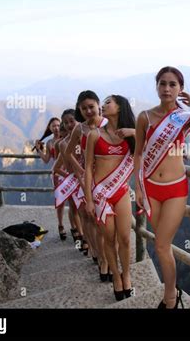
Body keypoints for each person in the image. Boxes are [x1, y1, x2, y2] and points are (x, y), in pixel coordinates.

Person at [134, 66, 190, 308]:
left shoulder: (183, 117)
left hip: (175, 189)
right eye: (162, 83)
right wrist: (137, 186)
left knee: (160, 244)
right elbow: (138, 153)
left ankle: (170, 297)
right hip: (150, 186)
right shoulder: (144, 117)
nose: (167, 88)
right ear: (157, 86)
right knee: (162, 245)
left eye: (172, 84)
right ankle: (172, 293)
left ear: (180, 89)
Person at [84, 95, 136, 299]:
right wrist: (88, 199)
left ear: (120, 108)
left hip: (121, 192)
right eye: (103, 103)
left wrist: (133, 132)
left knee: (124, 238)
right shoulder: (94, 135)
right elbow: (88, 168)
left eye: (108, 103)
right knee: (109, 238)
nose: (103, 106)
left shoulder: (131, 134)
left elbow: (154, 143)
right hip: (101, 195)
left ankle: (127, 275)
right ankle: (116, 276)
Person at [64, 91, 108, 260]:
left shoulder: (107, 124)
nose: (88, 111)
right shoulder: (79, 128)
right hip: (88, 178)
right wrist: (80, 170)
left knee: (106, 221)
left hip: (107, 176)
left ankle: (106, 257)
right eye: (84, 109)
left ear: (98, 105)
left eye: (91, 107)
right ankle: (98, 255)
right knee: (91, 220)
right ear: (79, 110)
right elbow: (68, 153)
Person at [53, 112, 83, 245]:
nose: (70, 125)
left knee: (85, 212)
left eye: (72, 121)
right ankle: (82, 237)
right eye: (66, 123)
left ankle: (84, 237)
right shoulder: (61, 144)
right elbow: (56, 167)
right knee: (75, 208)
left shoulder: (86, 138)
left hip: (86, 179)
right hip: (73, 181)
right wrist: (70, 176)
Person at [34, 117, 66, 240]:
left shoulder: (67, 138)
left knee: (74, 203)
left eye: (58, 125)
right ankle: (61, 225)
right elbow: (47, 160)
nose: (56, 128)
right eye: (54, 126)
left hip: (69, 172)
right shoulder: (49, 143)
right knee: (60, 201)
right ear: (50, 128)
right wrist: (38, 150)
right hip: (57, 174)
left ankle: (77, 229)